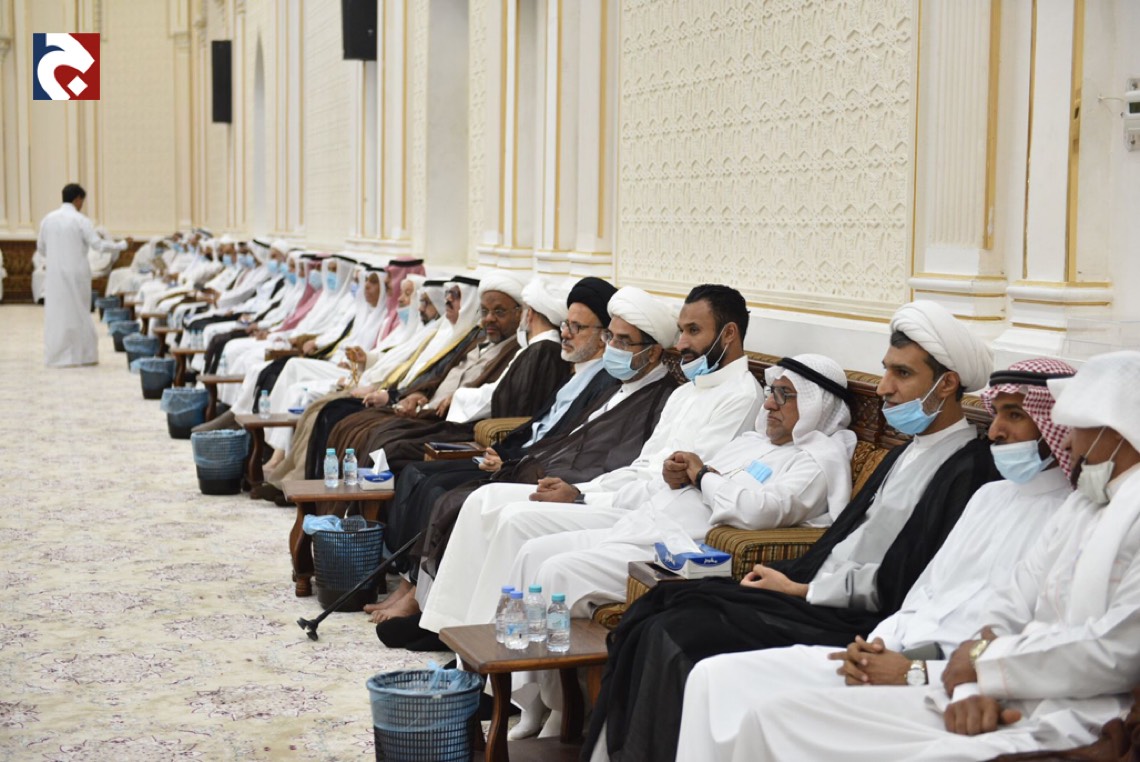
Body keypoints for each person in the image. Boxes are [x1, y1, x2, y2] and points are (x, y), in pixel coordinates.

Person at [582, 299, 999, 762]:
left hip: (853, 615)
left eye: (902, 374)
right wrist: (790, 577)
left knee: (681, 635)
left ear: (947, 383)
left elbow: (909, 579)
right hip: (815, 588)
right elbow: (846, 538)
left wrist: (801, 590)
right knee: (658, 610)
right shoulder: (909, 450)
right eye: (885, 371)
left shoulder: (969, 469)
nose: (884, 388)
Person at [685, 350, 1140, 762]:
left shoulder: (1100, 507)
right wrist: (896, 648)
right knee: (721, 681)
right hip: (951, 673)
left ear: (1120, 431)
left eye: (1077, 428)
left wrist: (959, 671)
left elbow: (1115, 650)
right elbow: (996, 606)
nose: (1070, 443)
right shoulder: (1066, 504)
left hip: (1039, 706)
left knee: (780, 719)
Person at [507, 353, 856, 740]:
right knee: (533, 552)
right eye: (771, 391)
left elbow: (759, 510)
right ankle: (530, 700)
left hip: (680, 551)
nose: (770, 404)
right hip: (644, 525)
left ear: (816, 405)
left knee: (558, 572)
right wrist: (678, 475)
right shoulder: (752, 442)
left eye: (784, 395)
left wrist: (701, 474)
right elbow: (703, 478)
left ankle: (563, 709)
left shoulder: (816, 461)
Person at [417, 283, 765, 637]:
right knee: (484, 498)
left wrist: (583, 496)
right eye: (681, 331)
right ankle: (450, 630)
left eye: (693, 331)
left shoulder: (741, 396)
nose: (682, 343)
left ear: (729, 333)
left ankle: (487, 646)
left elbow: (678, 486)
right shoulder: (688, 391)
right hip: (621, 497)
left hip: (651, 516)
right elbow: (641, 467)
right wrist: (584, 489)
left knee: (515, 520)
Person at [372, 285, 681, 643]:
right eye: (611, 337)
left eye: (623, 341)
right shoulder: (622, 383)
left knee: (501, 514)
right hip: (563, 475)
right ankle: (443, 620)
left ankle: (482, 635)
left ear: (653, 351)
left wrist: (574, 489)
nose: (611, 347)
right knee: (478, 500)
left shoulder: (661, 395)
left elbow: (616, 460)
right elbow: (568, 435)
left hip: (588, 489)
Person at [38, 183, 128, 367]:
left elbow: (41, 248)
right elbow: (98, 245)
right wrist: (122, 245)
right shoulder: (81, 220)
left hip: (55, 275)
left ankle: (56, 356)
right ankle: (82, 356)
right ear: (78, 199)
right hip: (77, 274)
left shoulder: (48, 219)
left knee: (57, 314)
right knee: (79, 312)